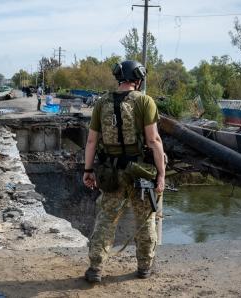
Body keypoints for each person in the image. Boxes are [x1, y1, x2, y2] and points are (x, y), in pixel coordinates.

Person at [82, 60, 167, 283]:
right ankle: (144, 267)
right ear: (137, 79)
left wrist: (88, 170)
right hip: (141, 174)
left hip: (111, 173)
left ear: (120, 77)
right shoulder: (146, 102)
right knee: (145, 220)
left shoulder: (101, 103)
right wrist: (161, 174)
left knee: (106, 220)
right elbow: (154, 140)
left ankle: (95, 269)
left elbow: (91, 141)